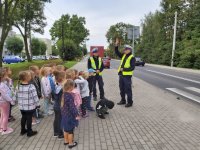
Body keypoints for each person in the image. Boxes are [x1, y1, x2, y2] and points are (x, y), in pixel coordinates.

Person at [16, 71, 39, 137]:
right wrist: (37, 104)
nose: (30, 77)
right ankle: (29, 132)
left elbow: (16, 95)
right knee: (29, 118)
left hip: (21, 107)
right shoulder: (31, 86)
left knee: (23, 117)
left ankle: (22, 130)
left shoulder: (18, 86)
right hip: (29, 107)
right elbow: (35, 97)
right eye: (29, 76)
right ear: (27, 78)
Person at [114, 38, 136, 107]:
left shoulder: (132, 57)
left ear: (129, 50)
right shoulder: (123, 55)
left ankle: (130, 102)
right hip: (121, 75)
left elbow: (132, 67)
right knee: (121, 88)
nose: (124, 50)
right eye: (124, 49)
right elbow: (117, 52)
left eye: (125, 49)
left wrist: (124, 69)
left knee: (128, 89)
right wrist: (116, 45)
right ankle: (123, 100)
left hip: (127, 76)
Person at [61, 79, 80, 149]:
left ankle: (66, 141)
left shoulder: (64, 94)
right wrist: (76, 115)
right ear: (71, 87)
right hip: (69, 116)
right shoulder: (70, 96)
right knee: (70, 131)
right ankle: (71, 143)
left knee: (65, 129)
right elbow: (72, 107)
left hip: (64, 116)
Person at [0, 68, 15, 135]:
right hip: (5, 102)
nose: (6, 77)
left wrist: (9, 81)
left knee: (3, 115)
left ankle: (1, 127)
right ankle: (5, 130)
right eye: (5, 75)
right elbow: (5, 95)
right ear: (2, 76)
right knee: (6, 115)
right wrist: (11, 100)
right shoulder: (2, 85)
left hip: (2, 101)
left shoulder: (2, 83)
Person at [53, 70, 66, 139]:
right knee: (60, 120)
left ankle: (56, 132)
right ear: (63, 78)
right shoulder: (62, 88)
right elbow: (63, 99)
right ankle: (60, 134)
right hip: (60, 106)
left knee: (57, 119)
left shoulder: (56, 85)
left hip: (56, 105)